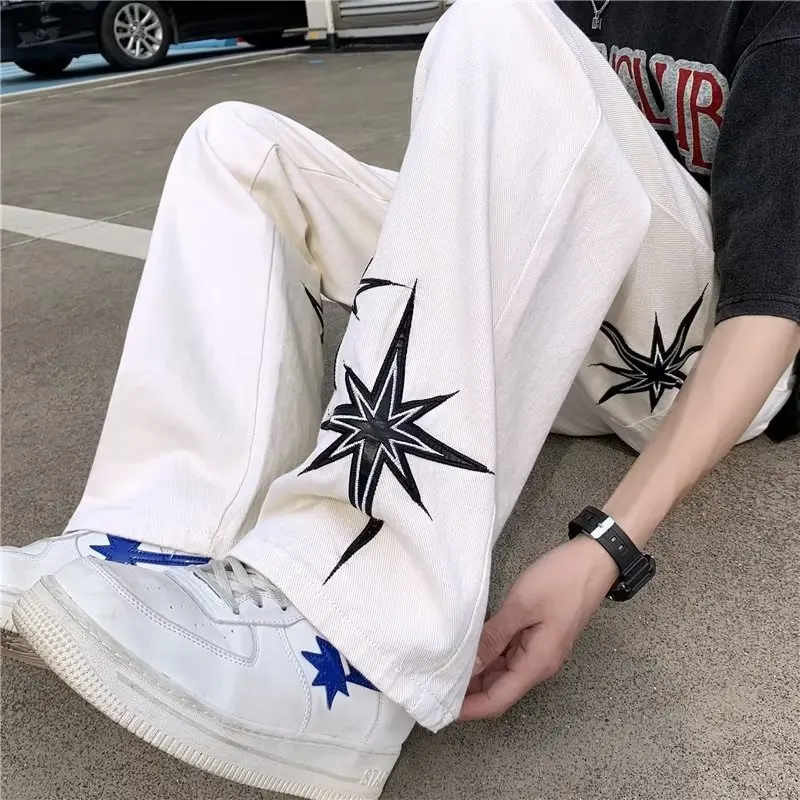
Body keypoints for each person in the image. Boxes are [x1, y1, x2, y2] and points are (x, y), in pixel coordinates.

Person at [2, 1, 799, 798]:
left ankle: (365, 630)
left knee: (496, 23)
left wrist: (607, 546)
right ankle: (160, 542)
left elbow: (770, 312)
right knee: (238, 146)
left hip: (700, 365)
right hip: (568, 337)